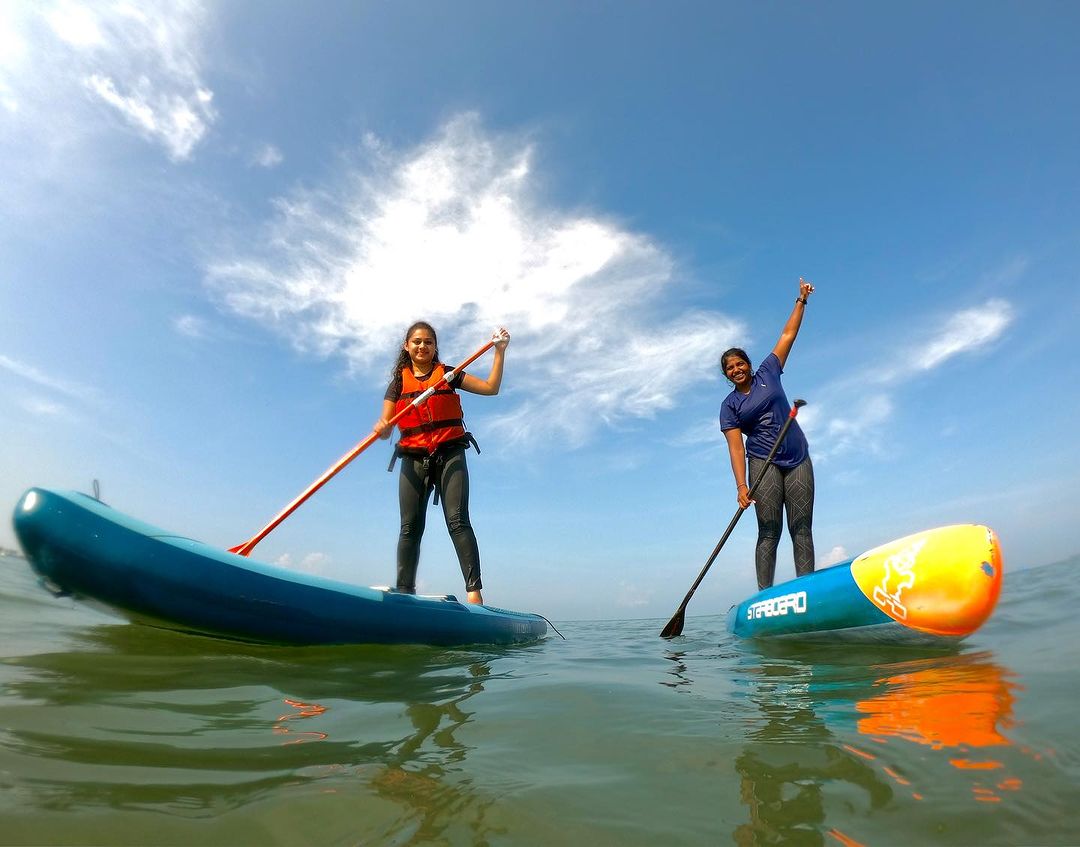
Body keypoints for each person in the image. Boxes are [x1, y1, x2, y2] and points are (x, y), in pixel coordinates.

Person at [374, 321, 510, 605]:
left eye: (428, 342)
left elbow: (491, 388)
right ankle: (404, 593)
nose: (422, 346)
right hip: (413, 456)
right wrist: (383, 427)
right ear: (407, 346)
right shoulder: (398, 383)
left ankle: (474, 593)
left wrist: (499, 351)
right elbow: (386, 424)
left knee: (458, 521)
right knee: (410, 527)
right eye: (417, 341)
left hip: (449, 452)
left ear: (435, 347)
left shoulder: (448, 375)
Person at [719, 278, 816, 590]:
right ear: (726, 375)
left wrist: (801, 300)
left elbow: (788, 335)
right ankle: (766, 595)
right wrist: (741, 485)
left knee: (801, 527)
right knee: (769, 530)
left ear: (748, 364)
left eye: (739, 363)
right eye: (730, 368)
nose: (736, 369)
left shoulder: (769, 371)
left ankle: (808, 590)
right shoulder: (729, 405)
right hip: (763, 462)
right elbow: (736, 448)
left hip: (797, 455)